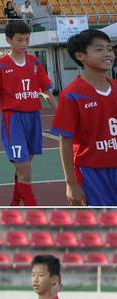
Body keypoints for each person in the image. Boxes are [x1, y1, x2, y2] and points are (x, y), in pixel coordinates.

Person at [0, 21, 57, 206]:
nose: (24, 43)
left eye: (27, 39)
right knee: (24, 169)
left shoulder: (35, 62)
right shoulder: (0, 66)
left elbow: (46, 92)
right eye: (19, 40)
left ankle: (15, 204)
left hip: (33, 118)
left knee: (24, 167)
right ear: (9, 40)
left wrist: (60, 112)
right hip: (13, 119)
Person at [51, 29, 117, 206]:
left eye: (109, 49)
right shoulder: (72, 95)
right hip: (92, 173)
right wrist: (71, 183)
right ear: (81, 56)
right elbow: (65, 142)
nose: (108, 54)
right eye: (99, 49)